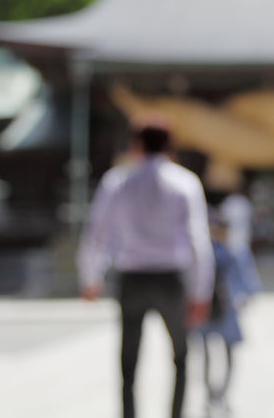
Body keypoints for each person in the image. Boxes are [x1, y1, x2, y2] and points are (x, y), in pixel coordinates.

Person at [76, 118, 215, 418]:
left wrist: (91, 276)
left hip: (132, 278)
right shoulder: (185, 182)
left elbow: (96, 233)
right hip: (171, 278)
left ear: (136, 145)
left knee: (129, 358)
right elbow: (199, 240)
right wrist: (201, 290)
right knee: (181, 355)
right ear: (169, 146)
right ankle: (176, 414)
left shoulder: (117, 181)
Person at [195, 209, 258, 413]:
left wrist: (244, 296)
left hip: (228, 307)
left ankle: (224, 393)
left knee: (228, 353)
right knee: (206, 354)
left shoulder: (236, 251)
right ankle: (209, 394)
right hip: (208, 305)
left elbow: (246, 279)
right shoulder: (206, 250)